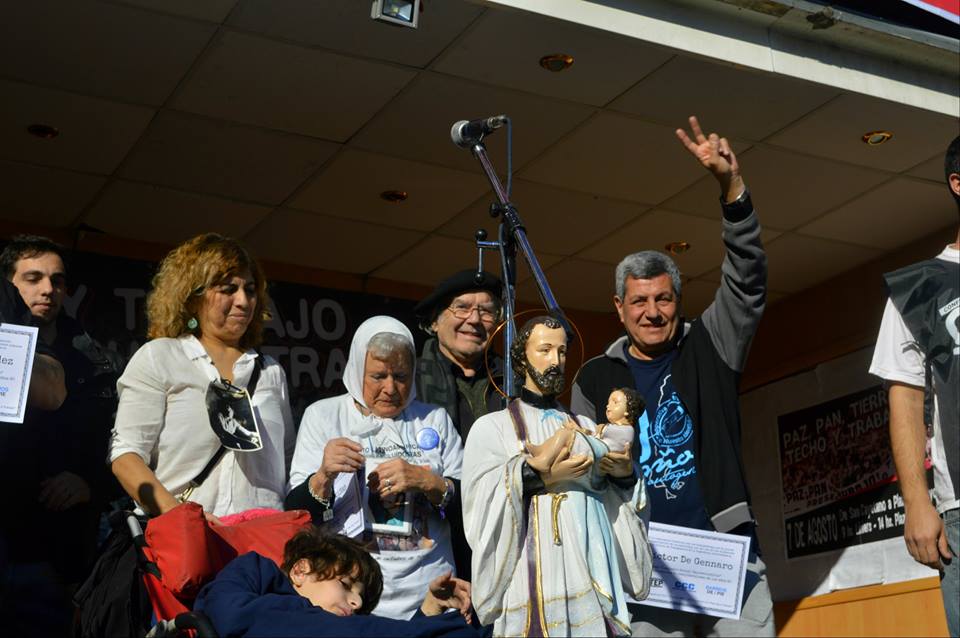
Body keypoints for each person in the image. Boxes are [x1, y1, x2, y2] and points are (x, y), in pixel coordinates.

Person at [571, 116, 773, 636]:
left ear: (678, 301)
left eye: (663, 298)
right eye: (639, 301)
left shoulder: (711, 343)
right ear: (619, 308)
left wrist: (732, 188)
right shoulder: (594, 379)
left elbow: (747, 279)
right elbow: (581, 478)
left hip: (727, 556)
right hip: (644, 568)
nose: (652, 312)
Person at [462, 315, 652, 637]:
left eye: (562, 352)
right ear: (521, 358)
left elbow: (622, 502)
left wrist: (624, 476)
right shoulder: (492, 427)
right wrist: (541, 478)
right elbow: (480, 499)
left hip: (589, 563)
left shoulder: (589, 426)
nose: (556, 361)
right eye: (545, 350)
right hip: (531, 569)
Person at [286, 316, 463, 620]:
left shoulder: (434, 419)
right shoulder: (324, 416)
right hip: (351, 596)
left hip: (429, 591)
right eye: (378, 376)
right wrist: (324, 475)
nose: (391, 388)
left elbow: (471, 504)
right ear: (357, 370)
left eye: (401, 376)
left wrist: (429, 482)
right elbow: (295, 513)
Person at [109, 233, 295, 518]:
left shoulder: (271, 372)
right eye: (228, 289)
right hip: (189, 536)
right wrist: (181, 518)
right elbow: (126, 457)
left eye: (250, 289)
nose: (243, 301)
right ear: (193, 297)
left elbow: (289, 462)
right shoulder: (160, 357)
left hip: (263, 539)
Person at [869, 135, 959, 637]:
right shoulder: (920, 287)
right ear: (958, 184)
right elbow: (904, 399)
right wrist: (918, 504)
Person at [193, 526, 477, 637]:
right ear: (300, 571)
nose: (356, 602)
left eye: (361, 599)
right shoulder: (254, 574)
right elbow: (228, 614)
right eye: (345, 584)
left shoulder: (343, 626)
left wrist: (429, 609)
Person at [414, 268, 504, 582]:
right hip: (432, 544)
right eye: (462, 307)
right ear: (435, 321)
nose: (474, 319)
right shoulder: (409, 382)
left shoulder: (514, 384)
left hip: (501, 540)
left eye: (486, 311)